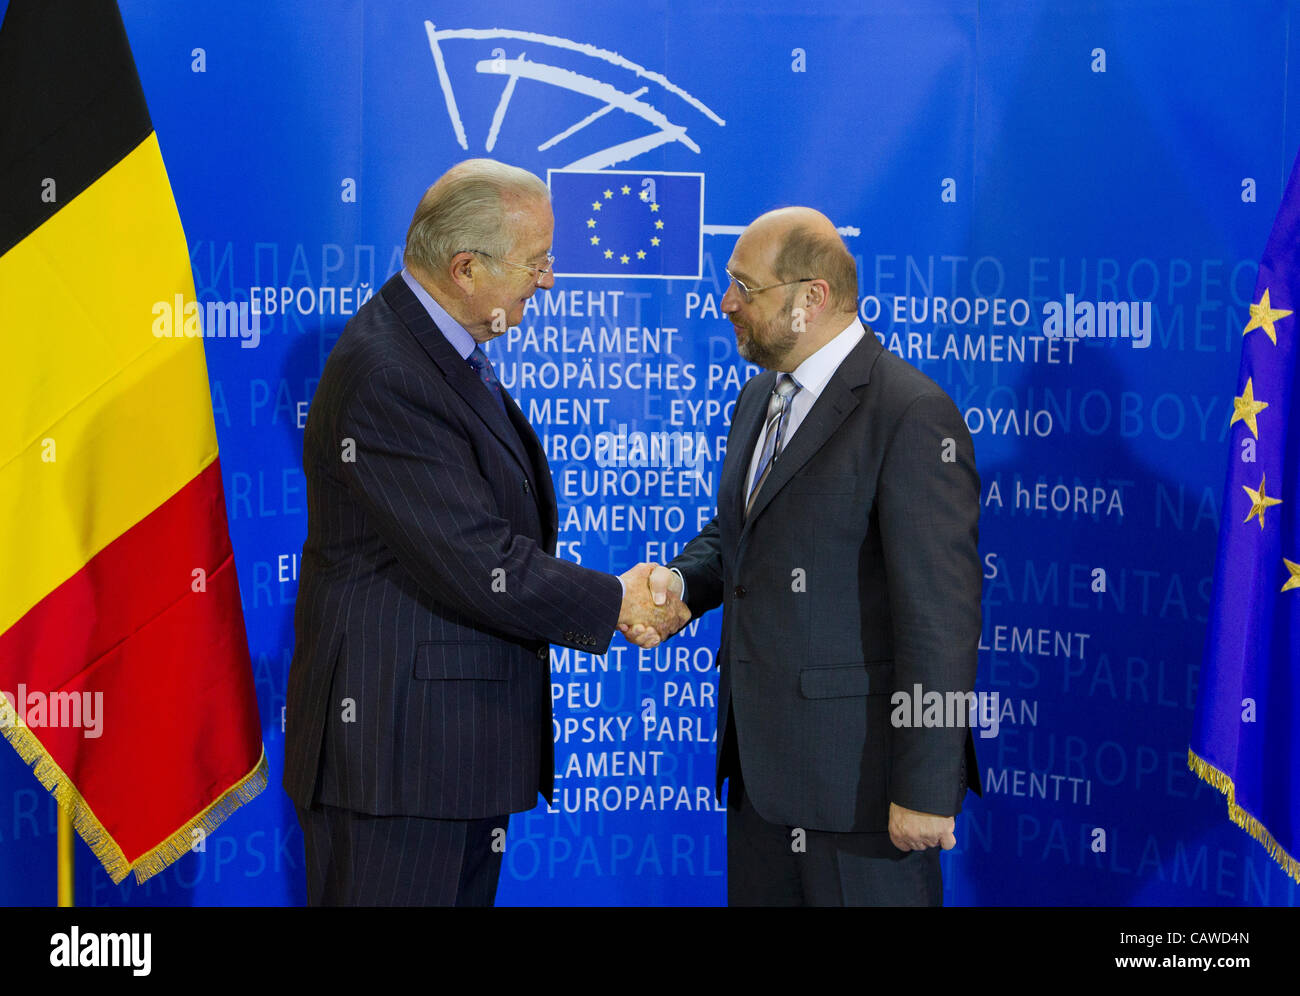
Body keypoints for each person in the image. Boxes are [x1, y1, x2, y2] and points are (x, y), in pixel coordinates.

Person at [283, 158, 687, 906]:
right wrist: (615, 602)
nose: (549, 281)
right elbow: (474, 559)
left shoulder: (441, 353)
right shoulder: (387, 371)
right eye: (535, 263)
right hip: (397, 764)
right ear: (465, 267)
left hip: (448, 757)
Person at [625, 207, 982, 906]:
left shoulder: (909, 414)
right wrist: (678, 588)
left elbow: (940, 618)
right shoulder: (760, 396)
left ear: (810, 298)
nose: (725, 303)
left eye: (744, 287)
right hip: (761, 783)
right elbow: (743, 535)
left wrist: (926, 790)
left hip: (862, 799)